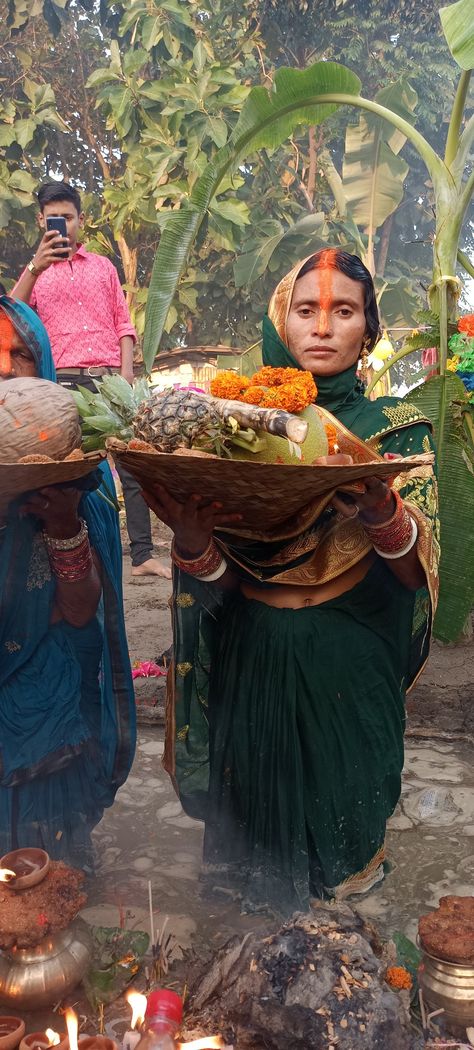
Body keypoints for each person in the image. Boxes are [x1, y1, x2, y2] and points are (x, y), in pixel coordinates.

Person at [144, 250, 439, 914]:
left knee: (343, 870)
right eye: (307, 310)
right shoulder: (234, 430)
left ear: (370, 327)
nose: (324, 327)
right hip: (254, 662)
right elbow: (218, 587)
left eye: (344, 311)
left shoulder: (395, 431)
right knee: (255, 873)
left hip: (348, 668)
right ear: (285, 319)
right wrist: (191, 541)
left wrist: (379, 507)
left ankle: (348, 982)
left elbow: (418, 577)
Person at [0, 294, 136, 867]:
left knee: (44, 882)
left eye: (20, 357)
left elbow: (82, 614)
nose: (5, 370)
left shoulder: (83, 477)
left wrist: (62, 522)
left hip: (43, 703)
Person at [13, 180, 171, 580]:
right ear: (40, 221)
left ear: (81, 220)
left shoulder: (102, 266)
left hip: (108, 379)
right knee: (69, 470)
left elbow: (122, 321)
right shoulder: (35, 271)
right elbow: (12, 313)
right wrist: (36, 266)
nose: (62, 224)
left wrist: (127, 372)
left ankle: (142, 555)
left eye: (68, 217)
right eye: (54, 218)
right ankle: (71, 548)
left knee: (132, 466)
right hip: (60, 384)